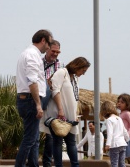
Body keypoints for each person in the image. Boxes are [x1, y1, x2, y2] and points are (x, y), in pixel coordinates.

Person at [42, 57, 90, 167]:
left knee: (71, 142)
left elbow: (75, 98)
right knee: (57, 142)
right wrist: (60, 109)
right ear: (77, 66)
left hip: (70, 115)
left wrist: (75, 114)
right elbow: (55, 90)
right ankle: (59, 165)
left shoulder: (75, 78)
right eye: (83, 71)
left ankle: (75, 165)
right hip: (58, 113)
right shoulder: (61, 73)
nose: (83, 74)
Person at [15, 29, 53, 167]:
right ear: (43, 40)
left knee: (34, 138)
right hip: (31, 100)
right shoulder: (32, 55)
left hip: (26, 99)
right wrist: (38, 104)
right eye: (49, 44)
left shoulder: (27, 53)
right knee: (30, 139)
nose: (48, 47)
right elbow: (32, 81)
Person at [40, 39, 65, 167]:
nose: (55, 54)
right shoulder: (38, 62)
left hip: (52, 104)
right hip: (38, 102)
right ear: (47, 49)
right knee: (33, 135)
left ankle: (47, 164)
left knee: (50, 136)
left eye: (57, 51)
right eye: (53, 51)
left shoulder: (61, 66)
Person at [100, 101, 130, 167]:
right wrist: (127, 139)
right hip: (122, 144)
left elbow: (110, 133)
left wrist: (108, 144)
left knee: (114, 164)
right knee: (122, 164)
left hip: (115, 144)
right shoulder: (119, 118)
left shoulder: (109, 120)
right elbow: (124, 131)